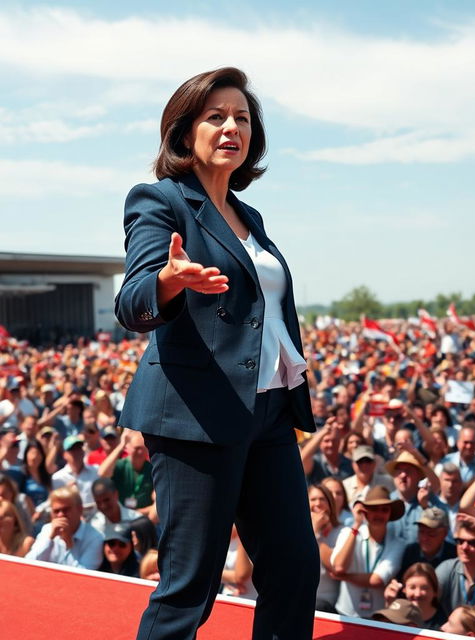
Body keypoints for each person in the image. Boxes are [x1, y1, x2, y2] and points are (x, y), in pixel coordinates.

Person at [114, 67, 318, 640]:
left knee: (295, 566)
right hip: (197, 416)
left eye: (243, 118)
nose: (232, 127)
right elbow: (133, 302)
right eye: (216, 116)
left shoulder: (250, 218)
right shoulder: (159, 201)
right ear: (185, 131)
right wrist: (169, 281)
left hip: (270, 413)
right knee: (191, 587)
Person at [331, 486, 405, 617]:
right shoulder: (349, 533)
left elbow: (377, 580)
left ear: (390, 514)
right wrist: (356, 526)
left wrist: (344, 577)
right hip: (346, 613)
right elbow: (339, 567)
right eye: (374, 509)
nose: (379, 514)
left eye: (384, 510)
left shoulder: (398, 543)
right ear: (365, 512)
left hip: (378, 617)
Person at [26, 486, 103, 569]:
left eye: (66, 510)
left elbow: (83, 577)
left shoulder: (95, 538)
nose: (61, 515)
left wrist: (69, 545)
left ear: (79, 510)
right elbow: (30, 564)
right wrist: (49, 539)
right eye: (56, 511)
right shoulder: (47, 530)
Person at [308, 483, 342, 612]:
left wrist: (317, 535)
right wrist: (314, 529)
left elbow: (334, 566)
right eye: (313, 499)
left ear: (330, 504)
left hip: (326, 605)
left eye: (322, 499)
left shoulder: (341, 531)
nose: (318, 503)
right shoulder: (297, 530)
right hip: (300, 599)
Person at [383, 562, 447, 629]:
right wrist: (390, 603)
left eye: (424, 588)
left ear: (435, 592)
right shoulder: (397, 616)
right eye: (412, 587)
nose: (417, 594)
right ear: (404, 589)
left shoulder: (444, 624)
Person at [397, 507, 456, 575]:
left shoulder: (454, 555)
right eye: (421, 532)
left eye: (431, 534)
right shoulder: (409, 552)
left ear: (445, 533)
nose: (424, 538)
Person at [51, 435, 99, 511]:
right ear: (64, 455)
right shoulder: (57, 478)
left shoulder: (96, 470)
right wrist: (66, 491)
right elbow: (57, 503)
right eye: (72, 449)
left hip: (96, 517)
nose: (76, 452)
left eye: (78, 448)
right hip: (72, 518)